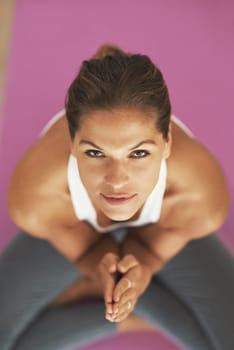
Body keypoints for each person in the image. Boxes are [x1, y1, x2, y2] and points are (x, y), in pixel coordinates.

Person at [1, 43, 233, 350]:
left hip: (166, 223)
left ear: (166, 143)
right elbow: (86, 252)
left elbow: (152, 252)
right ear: (72, 143)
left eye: (138, 153)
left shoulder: (197, 198)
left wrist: (140, 275)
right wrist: (100, 267)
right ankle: (124, 313)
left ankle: (100, 300)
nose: (117, 181)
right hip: (72, 224)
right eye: (95, 152)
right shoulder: (37, 198)